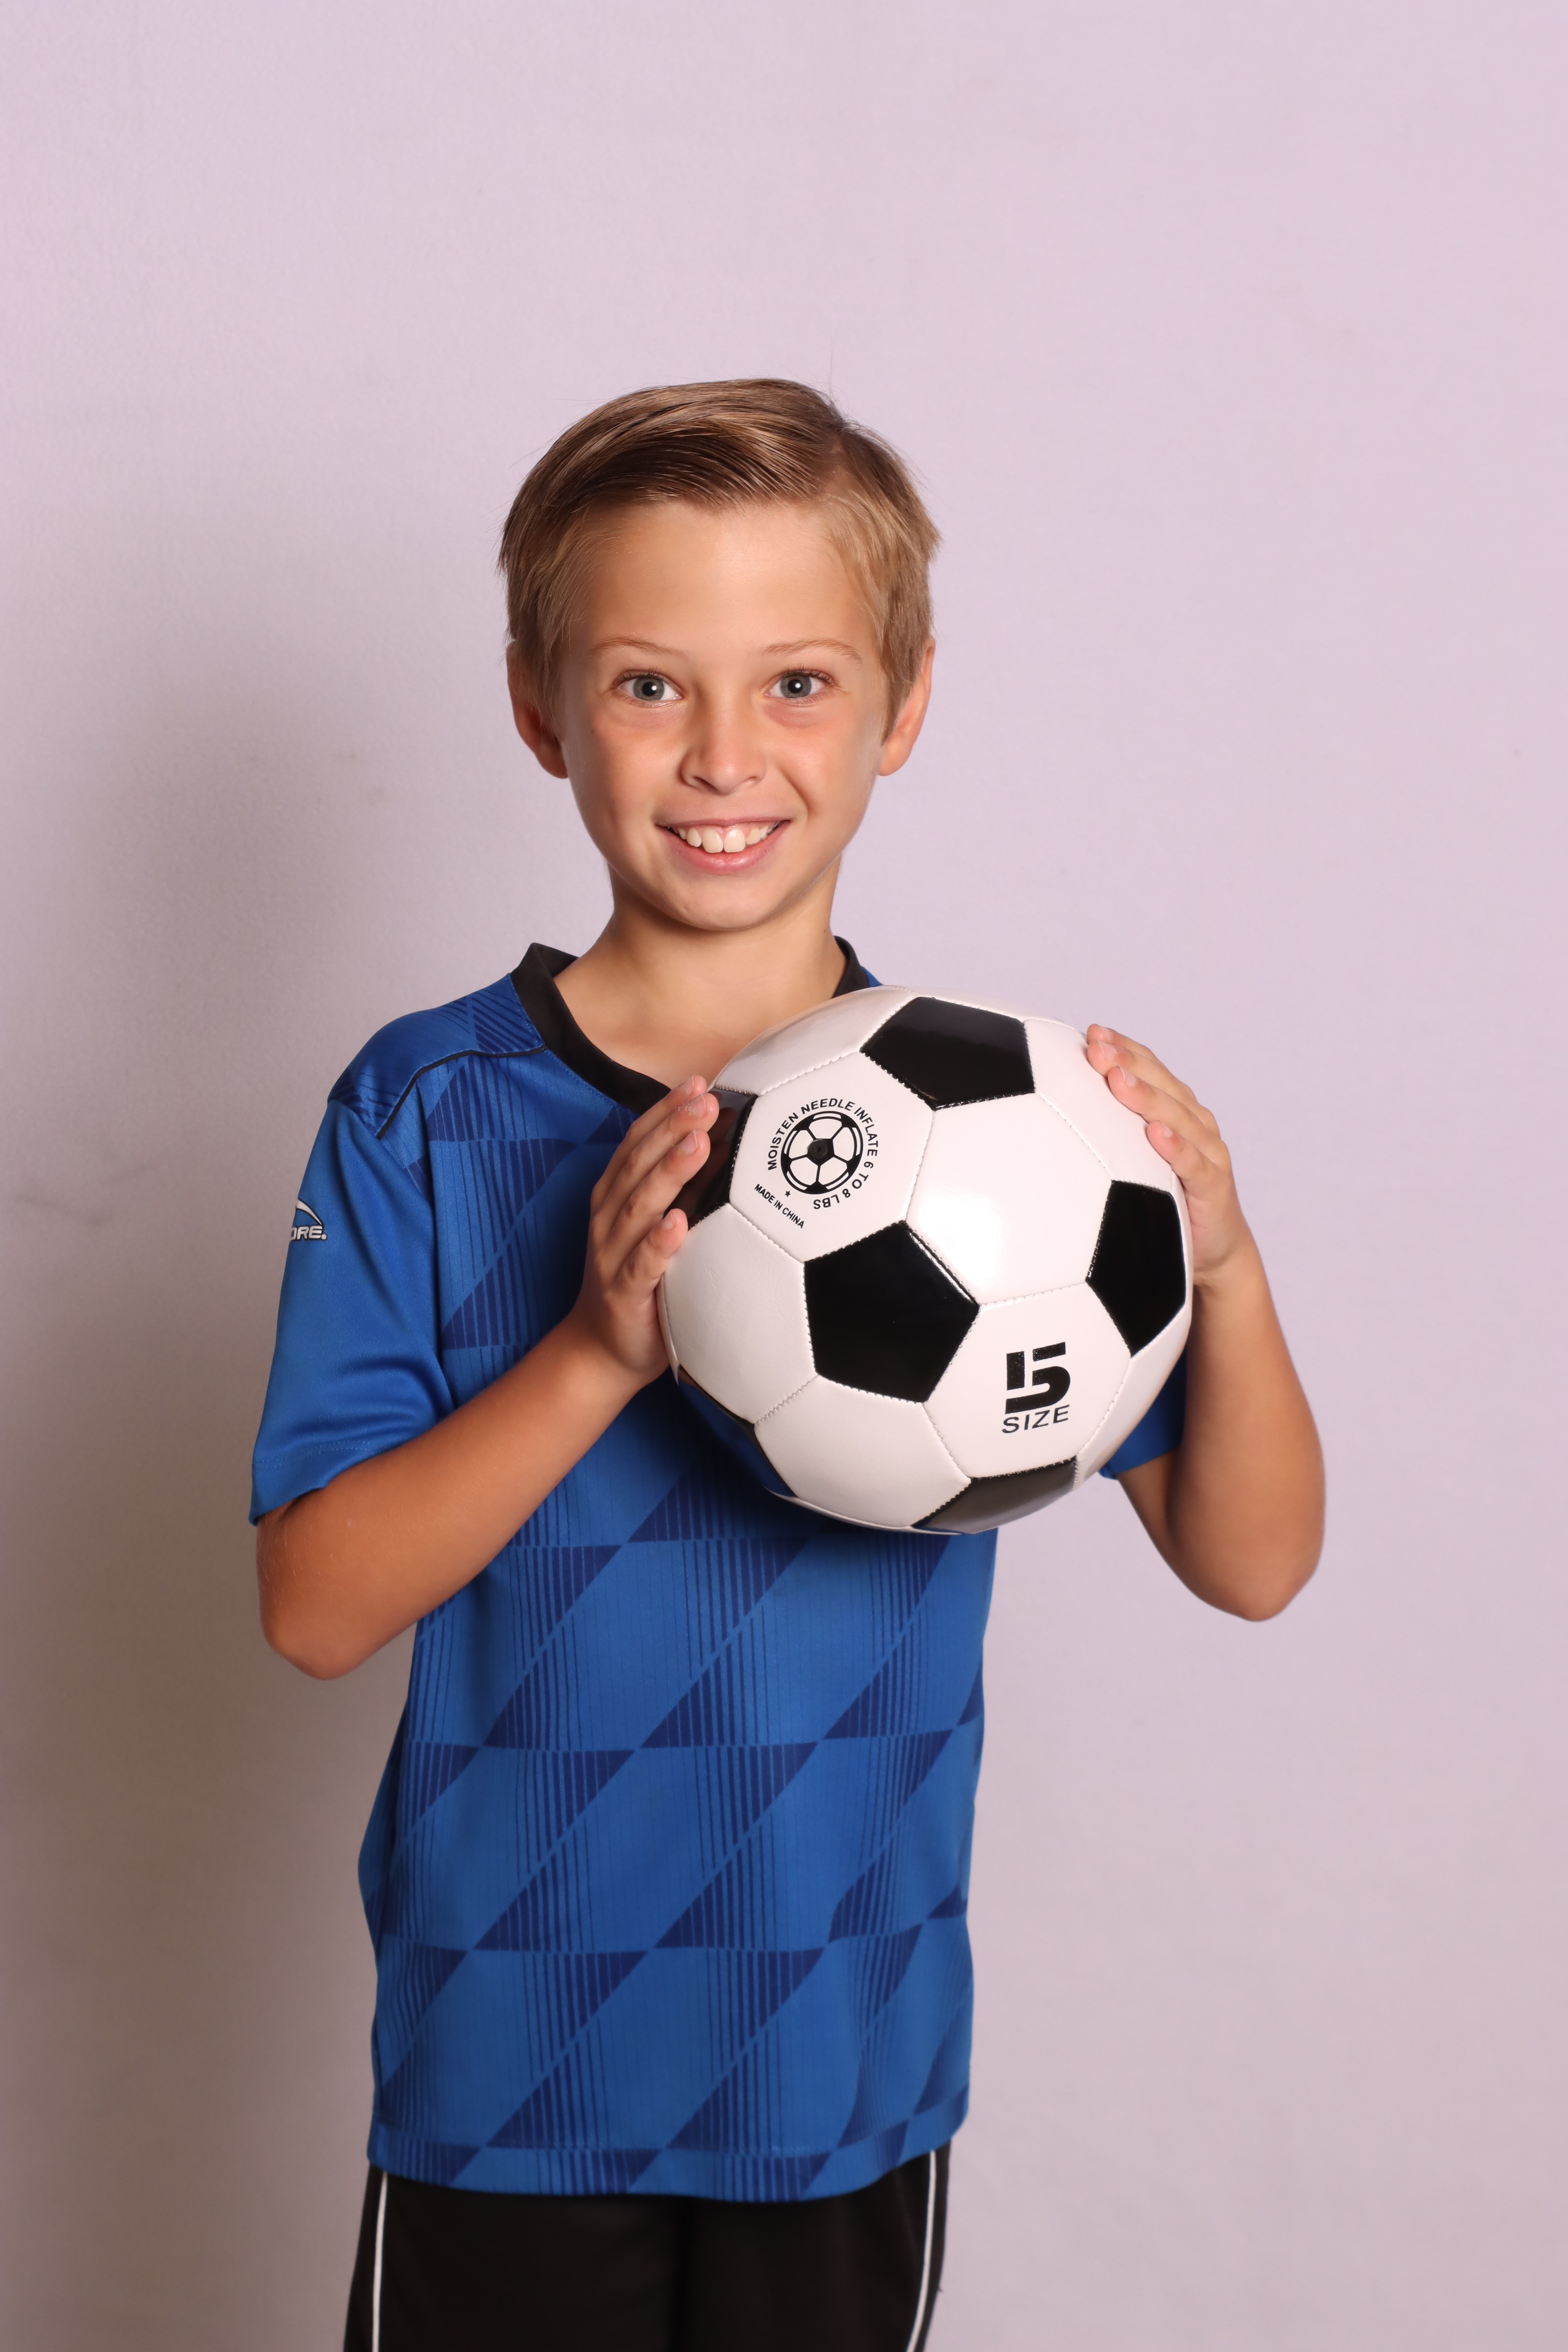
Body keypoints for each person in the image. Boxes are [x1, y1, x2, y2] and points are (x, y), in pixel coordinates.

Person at [252, 380, 1323, 2352]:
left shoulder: (1022, 1143)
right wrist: (597, 1352)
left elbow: (1251, 1563)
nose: (724, 755)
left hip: (836, 2057)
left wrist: (1227, 1262)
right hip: (510, 2061)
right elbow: (316, 1609)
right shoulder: (424, 1109)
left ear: (902, 706)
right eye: (648, 684)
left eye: (800, 684)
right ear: (539, 707)